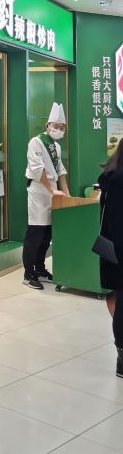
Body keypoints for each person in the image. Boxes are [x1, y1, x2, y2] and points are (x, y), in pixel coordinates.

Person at [22, 102, 70, 289]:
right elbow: (37, 169)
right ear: (47, 125)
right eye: (56, 126)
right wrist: (52, 190)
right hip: (39, 192)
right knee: (35, 233)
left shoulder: (56, 146)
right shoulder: (36, 142)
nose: (59, 130)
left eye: (62, 127)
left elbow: (60, 171)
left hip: (53, 193)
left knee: (47, 235)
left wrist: (66, 193)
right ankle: (28, 273)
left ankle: (40, 269)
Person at [98, 139, 123, 377]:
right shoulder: (118, 181)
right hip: (118, 251)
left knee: (118, 299)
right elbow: (117, 223)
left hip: (113, 252)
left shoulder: (110, 177)